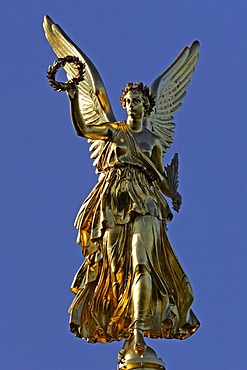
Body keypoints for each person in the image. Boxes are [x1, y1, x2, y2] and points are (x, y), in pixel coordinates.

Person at [67, 82, 199, 356]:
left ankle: (138, 329)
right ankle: (122, 321)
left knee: (142, 264)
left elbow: (160, 176)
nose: (131, 105)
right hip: (114, 199)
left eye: (137, 101)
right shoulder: (115, 131)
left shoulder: (152, 142)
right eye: (128, 101)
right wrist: (72, 98)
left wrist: (173, 193)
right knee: (116, 270)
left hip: (147, 200)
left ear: (146, 106)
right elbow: (84, 130)